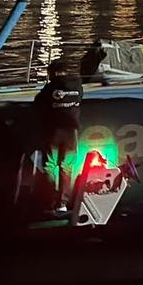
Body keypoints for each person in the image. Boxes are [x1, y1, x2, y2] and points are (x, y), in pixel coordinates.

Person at [34, 57, 83, 212]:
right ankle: (62, 204)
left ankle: (49, 200)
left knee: (49, 166)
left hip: (55, 131)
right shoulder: (78, 85)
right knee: (67, 166)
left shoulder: (50, 88)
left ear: (53, 72)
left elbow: (38, 103)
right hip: (71, 131)